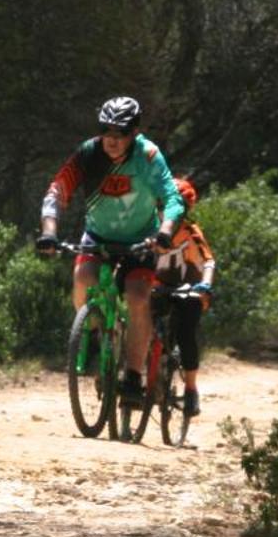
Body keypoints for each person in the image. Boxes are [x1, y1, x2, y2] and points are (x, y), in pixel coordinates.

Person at [35, 96, 184, 406]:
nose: (112, 141)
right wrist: (49, 232)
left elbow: (172, 198)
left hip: (141, 240)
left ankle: (132, 376)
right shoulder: (88, 154)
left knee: (137, 296)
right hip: (99, 236)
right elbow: (57, 190)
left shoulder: (148, 156)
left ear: (134, 133)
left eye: (120, 134)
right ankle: (90, 333)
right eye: (107, 132)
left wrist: (165, 231)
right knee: (82, 277)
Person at [155, 175, 216, 419]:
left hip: (189, 288)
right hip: (158, 286)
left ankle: (191, 389)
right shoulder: (150, 229)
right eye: (161, 206)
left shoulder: (192, 233)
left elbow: (208, 261)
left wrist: (205, 285)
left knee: (185, 334)